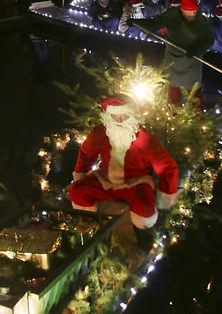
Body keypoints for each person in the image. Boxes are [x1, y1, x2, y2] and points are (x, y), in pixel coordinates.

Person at [68, 96, 179, 250]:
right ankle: (90, 225)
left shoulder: (146, 140)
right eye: (115, 116)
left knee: (144, 210)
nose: (119, 120)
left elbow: (168, 167)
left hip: (136, 181)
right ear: (108, 116)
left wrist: (166, 192)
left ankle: (140, 239)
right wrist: (81, 173)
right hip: (105, 178)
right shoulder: (100, 133)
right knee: (77, 191)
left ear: (133, 116)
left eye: (124, 116)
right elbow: (86, 154)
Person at [145, 0, 214, 110]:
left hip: (192, 62)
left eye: (194, 11)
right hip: (173, 60)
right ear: (182, 10)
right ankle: (172, 117)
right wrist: (137, 22)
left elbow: (209, 40)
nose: (193, 14)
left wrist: (198, 49)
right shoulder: (171, 16)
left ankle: (198, 120)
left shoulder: (201, 20)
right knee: (173, 91)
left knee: (194, 93)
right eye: (190, 11)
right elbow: (154, 23)